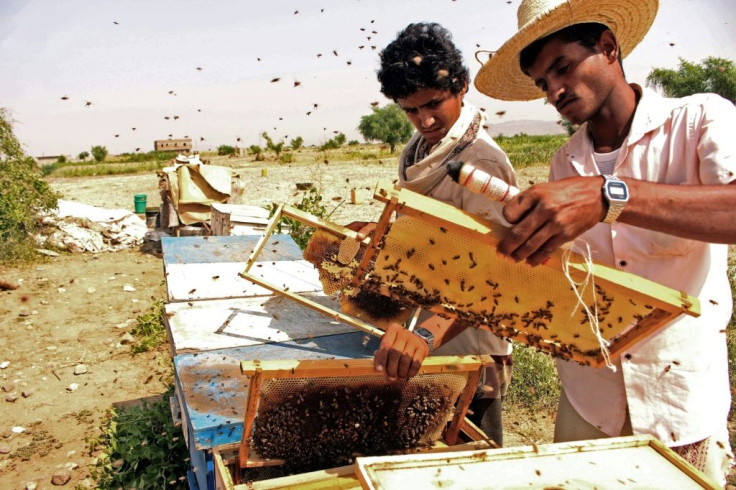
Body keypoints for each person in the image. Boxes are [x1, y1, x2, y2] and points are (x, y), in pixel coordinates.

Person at [473, 0, 736, 484]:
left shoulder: (699, 121)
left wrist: (610, 195)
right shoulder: (564, 163)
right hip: (588, 401)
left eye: (562, 67)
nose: (554, 91)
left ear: (609, 47)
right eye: (541, 83)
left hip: (678, 403)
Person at [355, 22, 518, 446]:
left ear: (461, 87)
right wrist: (383, 236)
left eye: (434, 104)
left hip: (469, 342)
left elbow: (491, 273)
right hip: (421, 331)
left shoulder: (483, 161)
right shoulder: (418, 152)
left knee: (472, 458)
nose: (424, 119)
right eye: (410, 110)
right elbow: (430, 234)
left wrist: (425, 334)